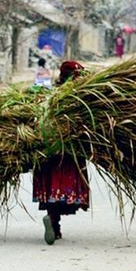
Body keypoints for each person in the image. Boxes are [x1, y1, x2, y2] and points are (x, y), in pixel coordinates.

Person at [32, 60, 90, 244]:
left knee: (51, 189)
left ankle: (54, 223)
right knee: (62, 190)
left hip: (47, 149)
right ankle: (55, 225)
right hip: (68, 153)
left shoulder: (51, 93)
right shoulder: (80, 97)